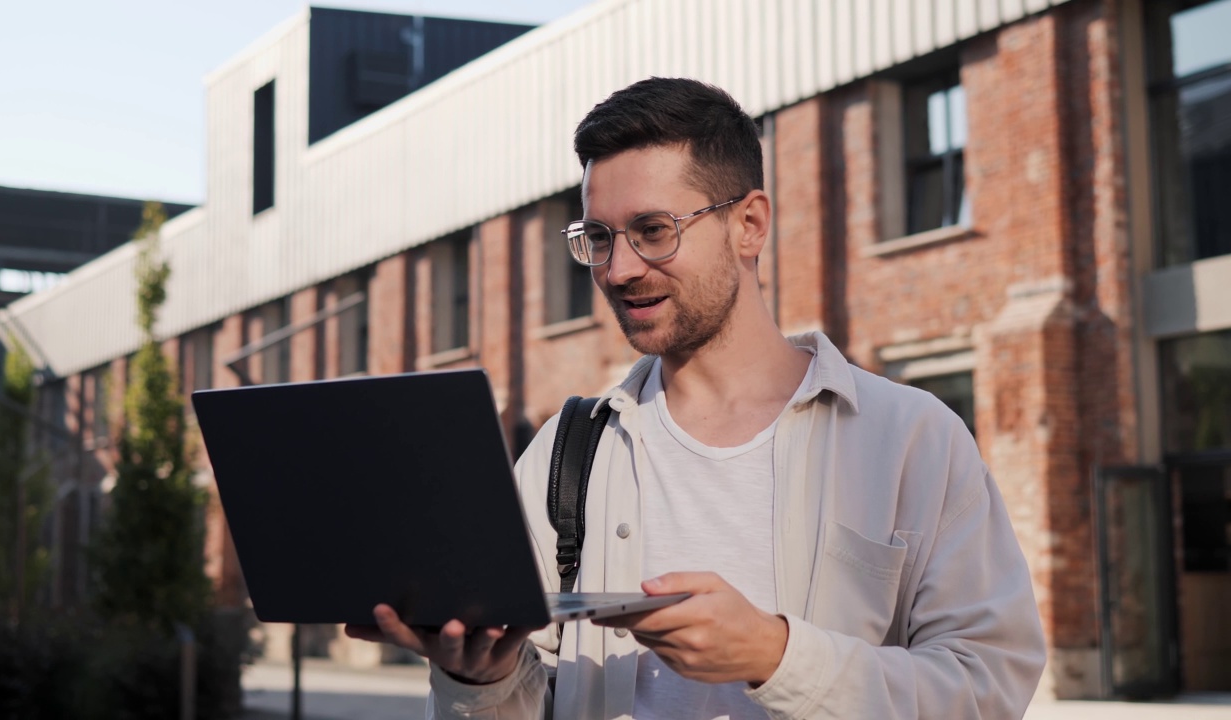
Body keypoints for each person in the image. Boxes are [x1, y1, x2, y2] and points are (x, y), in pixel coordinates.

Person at [346, 77, 1046, 719]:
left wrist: (775, 656)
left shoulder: (909, 438)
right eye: (598, 238)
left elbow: (988, 689)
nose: (619, 270)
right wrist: (481, 679)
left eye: (654, 231)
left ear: (749, 224)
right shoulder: (569, 451)